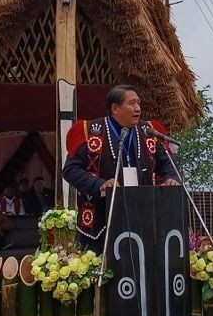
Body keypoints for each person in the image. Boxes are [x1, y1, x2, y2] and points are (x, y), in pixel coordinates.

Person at [62, 83, 179, 252]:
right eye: (132, 103)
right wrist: (99, 184)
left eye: (138, 103)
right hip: (101, 220)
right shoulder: (90, 131)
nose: (137, 108)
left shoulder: (149, 131)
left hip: (143, 217)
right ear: (115, 108)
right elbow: (71, 170)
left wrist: (172, 178)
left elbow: (169, 163)